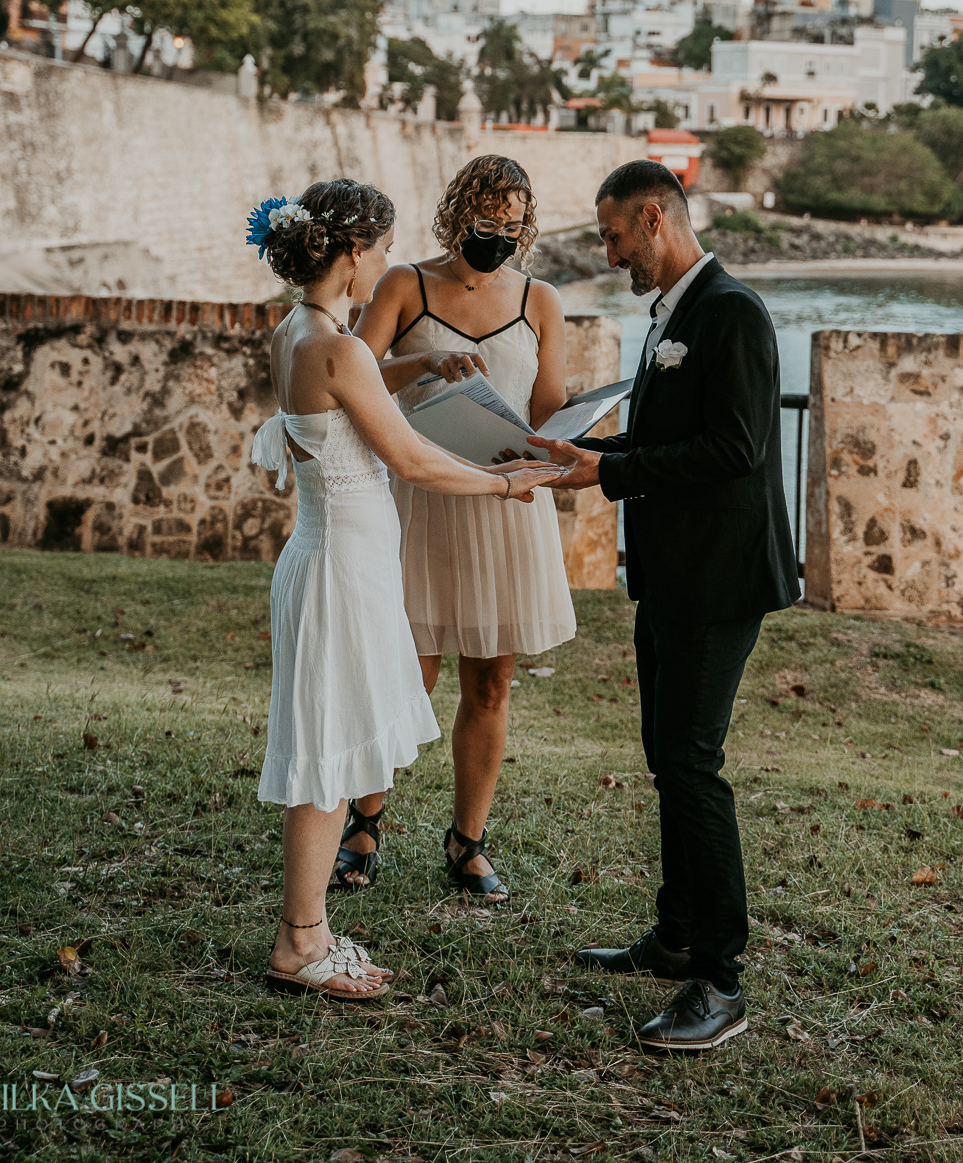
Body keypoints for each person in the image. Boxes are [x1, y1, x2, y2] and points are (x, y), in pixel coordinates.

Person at [247, 177, 565, 999]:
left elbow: (352, 397)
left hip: (327, 558)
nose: (387, 261)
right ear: (352, 253)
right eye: (381, 248)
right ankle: (301, 943)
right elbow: (414, 459)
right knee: (326, 754)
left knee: (330, 742)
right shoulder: (338, 345)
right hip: (340, 572)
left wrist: (419, 361)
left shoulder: (299, 331)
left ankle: (304, 928)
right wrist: (506, 483)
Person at [529, 159, 798, 1052]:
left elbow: (736, 448)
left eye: (613, 237)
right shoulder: (670, 317)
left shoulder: (733, 312)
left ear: (654, 219)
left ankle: (720, 980)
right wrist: (585, 449)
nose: (610, 257)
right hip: (673, 573)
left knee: (690, 761)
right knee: (664, 754)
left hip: (722, 579)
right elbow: (666, 438)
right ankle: (676, 935)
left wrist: (612, 470)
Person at [352, 154, 576, 903]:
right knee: (404, 672)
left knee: (491, 680)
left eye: (514, 228)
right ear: (457, 216)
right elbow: (346, 368)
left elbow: (547, 405)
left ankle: (467, 842)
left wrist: (563, 432)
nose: (501, 239)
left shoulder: (541, 299)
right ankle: (363, 824)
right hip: (420, 500)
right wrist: (424, 366)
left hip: (507, 500)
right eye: (488, 225)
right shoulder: (404, 284)